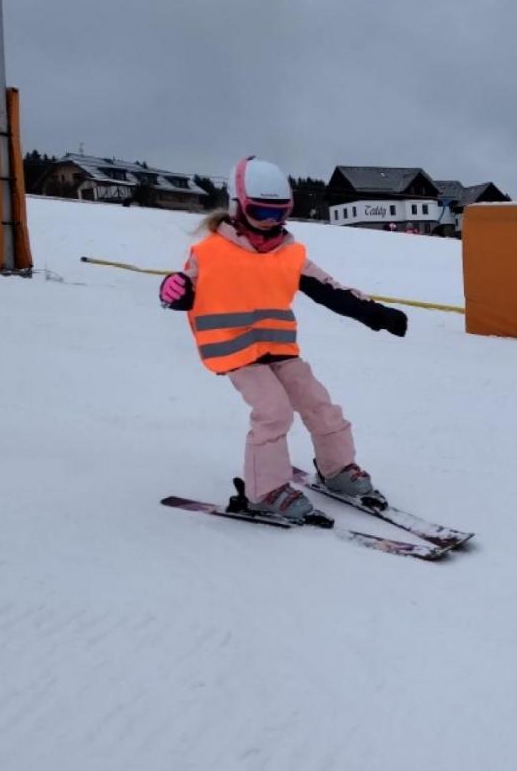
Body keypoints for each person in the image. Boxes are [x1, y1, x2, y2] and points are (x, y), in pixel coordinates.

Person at [159, 156, 407, 520]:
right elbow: (183, 290)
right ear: (237, 207)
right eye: (261, 212)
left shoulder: (289, 254)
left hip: (278, 349)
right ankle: (265, 491)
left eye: (280, 213)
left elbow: (330, 291)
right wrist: (174, 293)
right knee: (273, 412)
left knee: (319, 404)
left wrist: (375, 314)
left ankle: (337, 470)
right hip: (235, 352)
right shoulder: (209, 253)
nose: (272, 222)